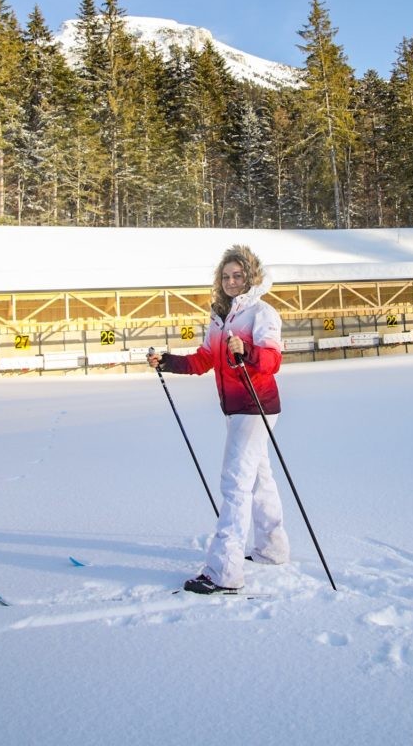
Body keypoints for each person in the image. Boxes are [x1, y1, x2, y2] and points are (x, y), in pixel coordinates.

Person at [148, 244, 290, 594]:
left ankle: (223, 572)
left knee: (235, 483)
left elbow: (272, 360)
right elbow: (203, 360)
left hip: (255, 406)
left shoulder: (261, 313)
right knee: (259, 478)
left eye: (238, 275)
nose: (231, 281)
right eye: (225, 276)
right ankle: (272, 549)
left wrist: (248, 351)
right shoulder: (219, 317)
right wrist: (166, 361)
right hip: (235, 408)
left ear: (251, 277)